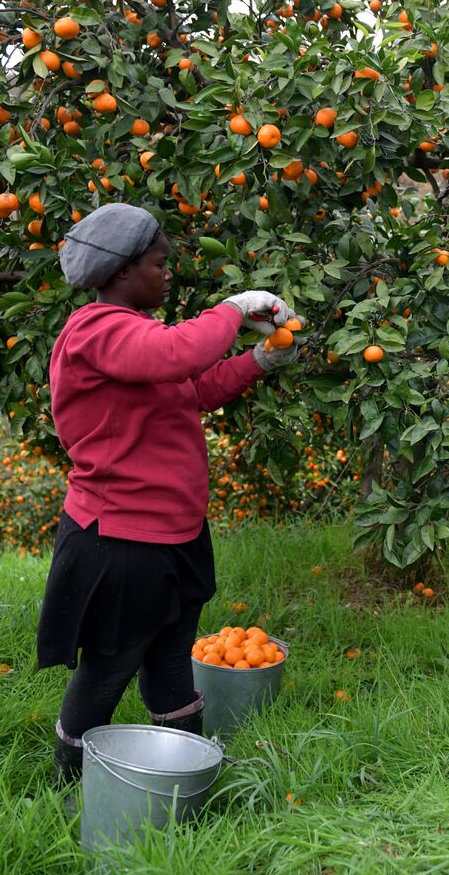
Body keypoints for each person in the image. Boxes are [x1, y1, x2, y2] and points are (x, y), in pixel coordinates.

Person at [34, 202, 305, 792]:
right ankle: (68, 789)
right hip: (122, 538)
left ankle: (183, 778)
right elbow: (180, 354)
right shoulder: (97, 330)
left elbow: (192, 388)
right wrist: (234, 308)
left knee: (171, 657)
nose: (167, 275)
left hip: (174, 532)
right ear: (122, 270)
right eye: (159, 265)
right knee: (109, 665)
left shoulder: (134, 333)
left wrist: (258, 361)